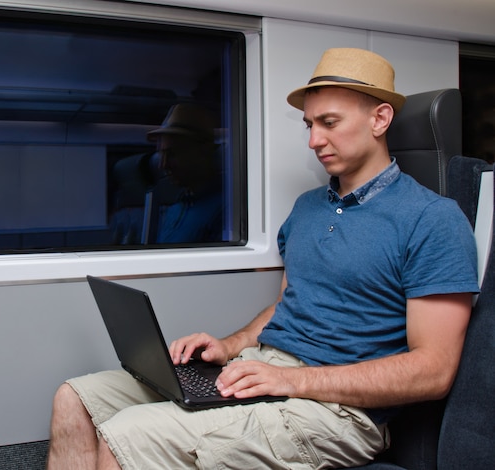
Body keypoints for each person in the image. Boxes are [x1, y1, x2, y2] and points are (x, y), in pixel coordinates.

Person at [47, 48, 479, 469]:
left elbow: (433, 371)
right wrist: (229, 345)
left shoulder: (433, 220)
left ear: (380, 119)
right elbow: (288, 305)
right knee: (75, 400)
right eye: (310, 125)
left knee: (127, 435)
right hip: (261, 368)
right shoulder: (307, 208)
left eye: (329, 123)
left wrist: (293, 381)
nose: (313, 140)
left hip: (338, 411)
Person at [109, 103, 223, 245]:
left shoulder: (225, 212)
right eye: (161, 155)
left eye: (172, 154)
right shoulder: (175, 209)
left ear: (203, 153)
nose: (163, 165)